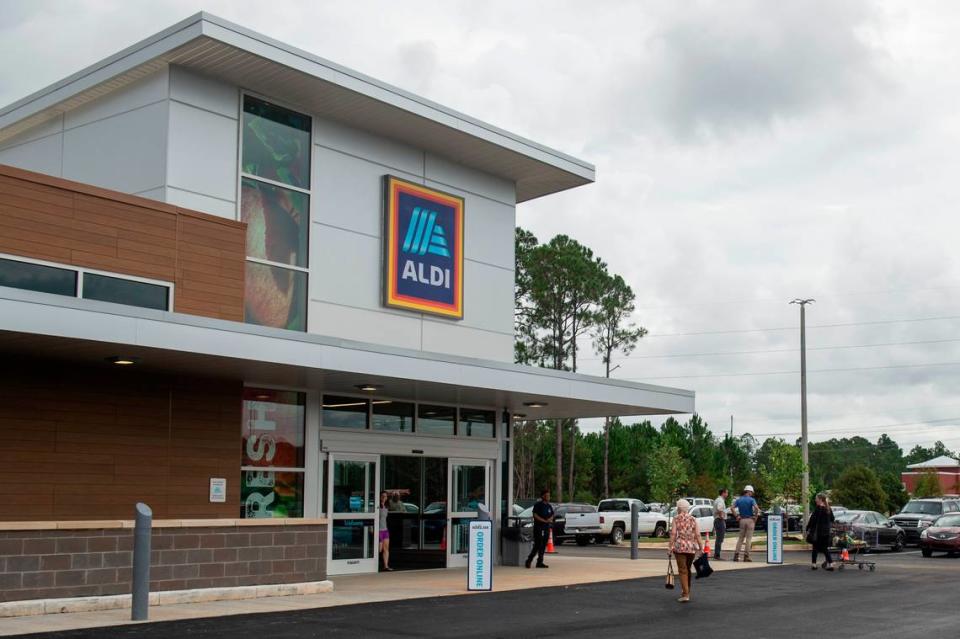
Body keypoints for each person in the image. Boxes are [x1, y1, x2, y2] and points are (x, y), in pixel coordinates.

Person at [669, 499, 704, 603]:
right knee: (687, 569)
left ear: (678, 508)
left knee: (682, 570)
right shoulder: (693, 519)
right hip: (691, 547)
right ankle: (687, 590)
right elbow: (697, 534)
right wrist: (701, 547)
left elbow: (674, 534)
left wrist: (669, 547)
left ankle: (685, 594)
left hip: (679, 547)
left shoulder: (676, 518)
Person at [525, 489, 554, 569]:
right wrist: (543, 520)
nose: (548, 497)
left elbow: (552, 514)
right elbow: (535, 515)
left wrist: (549, 519)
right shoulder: (538, 505)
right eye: (547, 495)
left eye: (549, 495)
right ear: (543, 496)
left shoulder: (549, 506)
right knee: (538, 544)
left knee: (544, 544)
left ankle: (540, 562)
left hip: (546, 528)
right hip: (539, 527)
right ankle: (529, 560)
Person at [807, 493, 835, 571]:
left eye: (816, 498)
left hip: (818, 532)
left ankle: (814, 564)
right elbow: (832, 519)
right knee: (824, 548)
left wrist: (807, 528)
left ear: (820, 499)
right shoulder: (828, 508)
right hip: (826, 532)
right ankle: (830, 564)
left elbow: (812, 520)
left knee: (815, 548)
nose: (815, 500)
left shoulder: (818, 508)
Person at [733, 485, 759, 562]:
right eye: (751, 492)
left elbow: (732, 508)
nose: (752, 494)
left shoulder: (739, 500)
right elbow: (756, 508)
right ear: (749, 491)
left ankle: (736, 555)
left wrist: (736, 516)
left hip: (742, 520)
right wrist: (756, 516)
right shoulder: (751, 500)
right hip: (750, 520)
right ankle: (746, 556)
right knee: (748, 539)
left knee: (740, 538)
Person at [378, 491, 393, 571]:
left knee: (386, 548)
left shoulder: (386, 507)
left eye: (385, 496)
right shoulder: (377, 506)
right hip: (378, 530)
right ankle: (373, 565)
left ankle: (386, 566)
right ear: (379, 497)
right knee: (379, 549)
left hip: (385, 530)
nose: (384, 498)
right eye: (382, 496)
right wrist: (371, 528)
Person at [713, 488, 729, 560]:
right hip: (719, 520)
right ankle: (717, 555)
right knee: (720, 538)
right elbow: (719, 509)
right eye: (726, 493)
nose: (727, 494)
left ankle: (717, 554)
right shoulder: (720, 500)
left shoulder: (718, 500)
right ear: (723, 493)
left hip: (718, 520)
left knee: (719, 538)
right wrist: (722, 516)